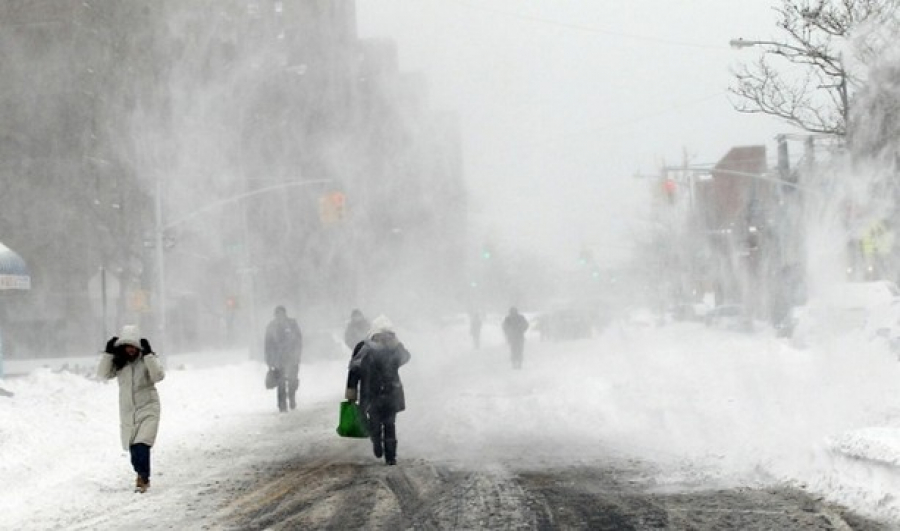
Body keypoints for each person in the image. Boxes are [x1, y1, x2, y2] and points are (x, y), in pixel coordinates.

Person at [97, 325, 165, 493]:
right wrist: (108, 354)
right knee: (134, 451)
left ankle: (143, 479)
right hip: (128, 411)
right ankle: (141, 474)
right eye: (127, 346)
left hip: (148, 408)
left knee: (142, 445)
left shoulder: (146, 359)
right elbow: (103, 375)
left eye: (133, 346)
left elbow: (158, 376)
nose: (130, 350)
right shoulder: (120, 363)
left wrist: (149, 355)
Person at [345, 316, 411, 465]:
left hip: (389, 392)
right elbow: (354, 372)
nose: (382, 338)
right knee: (375, 423)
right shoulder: (364, 349)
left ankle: (391, 456)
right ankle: (376, 441)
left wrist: (397, 343)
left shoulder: (393, 349)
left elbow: (405, 357)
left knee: (389, 424)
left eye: (387, 335)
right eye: (380, 335)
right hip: (372, 394)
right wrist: (351, 394)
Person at [264, 305, 303, 412]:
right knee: (280, 382)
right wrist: (269, 359)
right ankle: (282, 405)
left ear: (285, 314)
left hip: (292, 357)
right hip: (278, 359)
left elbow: (298, 340)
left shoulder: (292, 324)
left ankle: (292, 397)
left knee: (292, 380)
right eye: (278, 314)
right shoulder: (271, 327)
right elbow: (268, 345)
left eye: (281, 313)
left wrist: (297, 354)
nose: (280, 316)